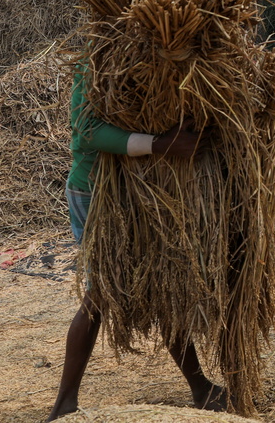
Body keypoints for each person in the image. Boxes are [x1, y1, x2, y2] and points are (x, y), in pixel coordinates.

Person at [47, 63, 226, 421]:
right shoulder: (97, 57)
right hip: (97, 190)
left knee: (161, 280)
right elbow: (86, 131)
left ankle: (200, 388)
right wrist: (161, 144)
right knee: (102, 292)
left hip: (145, 188)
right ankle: (64, 404)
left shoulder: (159, 57)